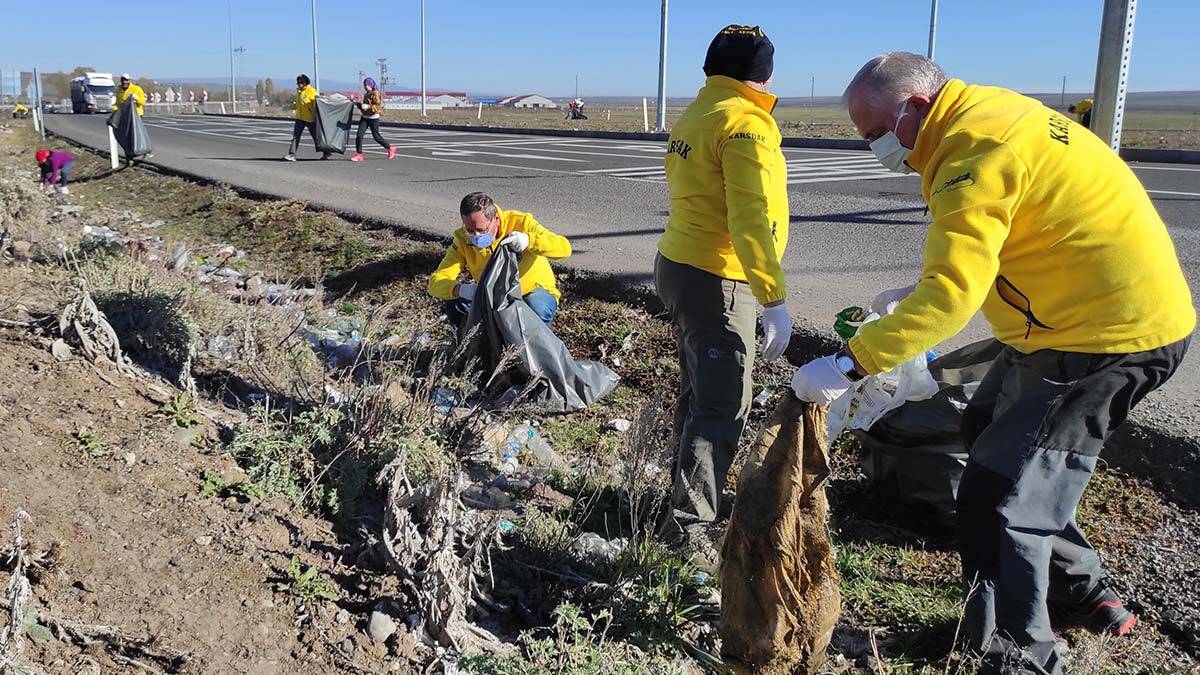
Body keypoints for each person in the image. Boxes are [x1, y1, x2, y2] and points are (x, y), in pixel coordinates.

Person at [792, 52, 1194, 675]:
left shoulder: (972, 153)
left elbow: (952, 296)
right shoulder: (987, 112)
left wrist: (850, 364)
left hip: (1105, 340)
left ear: (918, 108)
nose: (874, 148)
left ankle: (1018, 659)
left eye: (875, 134)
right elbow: (1008, 237)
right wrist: (918, 290)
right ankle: (1083, 597)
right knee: (985, 437)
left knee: (1006, 497)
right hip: (1071, 323)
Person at [654, 24, 792, 565]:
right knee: (721, 405)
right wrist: (773, 296)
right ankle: (689, 534)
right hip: (718, 277)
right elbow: (752, 219)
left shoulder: (701, 111)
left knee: (698, 393)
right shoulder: (746, 125)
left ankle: (682, 502)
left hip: (681, 263)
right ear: (763, 76)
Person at [428, 192, 570, 329]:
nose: (476, 236)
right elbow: (436, 282)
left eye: (481, 230)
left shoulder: (521, 222)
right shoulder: (462, 240)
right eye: (469, 230)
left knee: (537, 306)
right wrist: (461, 290)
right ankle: (470, 349)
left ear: (495, 219)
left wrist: (530, 240)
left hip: (530, 293)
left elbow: (564, 248)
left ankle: (537, 351)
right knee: (455, 303)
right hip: (493, 298)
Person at [283, 74, 329, 161]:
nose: (299, 85)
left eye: (300, 83)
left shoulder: (311, 91)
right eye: (298, 83)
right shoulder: (299, 92)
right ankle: (292, 154)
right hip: (300, 118)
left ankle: (326, 152)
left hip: (310, 119)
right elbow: (298, 104)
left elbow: (317, 103)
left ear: (305, 83)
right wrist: (289, 107)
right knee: (296, 136)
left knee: (316, 137)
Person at [351, 77, 396, 162]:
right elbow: (364, 107)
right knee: (359, 135)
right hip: (365, 117)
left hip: (373, 118)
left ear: (371, 85)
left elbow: (378, 106)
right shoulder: (367, 94)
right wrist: (357, 104)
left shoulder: (376, 93)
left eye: (366, 85)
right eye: (364, 85)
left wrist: (368, 106)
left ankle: (390, 148)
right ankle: (359, 154)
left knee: (376, 137)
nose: (365, 86)